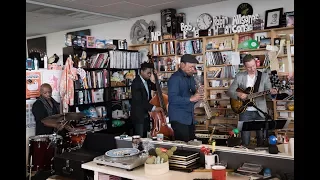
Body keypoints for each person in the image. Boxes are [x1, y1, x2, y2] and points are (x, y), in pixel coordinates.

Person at [227, 54, 277, 147]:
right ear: (245, 67)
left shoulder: (264, 76)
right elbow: (229, 92)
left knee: (261, 139)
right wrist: (239, 94)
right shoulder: (240, 76)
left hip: (260, 111)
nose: (252, 69)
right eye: (249, 67)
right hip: (244, 111)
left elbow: (269, 96)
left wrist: (273, 93)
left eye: (254, 66)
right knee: (245, 140)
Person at [167, 54, 203, 142]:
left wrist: (199, 93)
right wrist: (190, 99)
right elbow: (172, 99)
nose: (193, 69)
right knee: (183, 147)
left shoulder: (190, 77)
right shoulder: (175, 78)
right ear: (182, 65)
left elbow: (192, 94)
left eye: (194, 67)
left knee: (192, 144)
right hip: (179, 118)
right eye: (191, 67)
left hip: (189, 117)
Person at [131, 62, 163, 137]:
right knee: (139, 136)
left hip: (146, 113)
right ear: (141, 71)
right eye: (148, 73)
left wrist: (157, 78)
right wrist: (154, 108)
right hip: (138, 115)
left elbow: (156, 88)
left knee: (145, 136)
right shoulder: (136, 83)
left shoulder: (147, 81)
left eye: (150, 73)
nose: (149, 75)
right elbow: (140, 101)